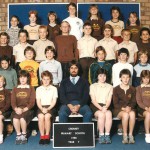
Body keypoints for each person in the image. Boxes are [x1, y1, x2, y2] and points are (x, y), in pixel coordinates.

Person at [11, 70, 35, 144]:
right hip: (17, 109)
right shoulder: (15, 88)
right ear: (18, 78)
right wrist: (16, 109)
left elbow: (32, 102)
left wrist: (24, 109)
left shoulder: (31, 88)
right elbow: (13, 102)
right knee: (15, 118)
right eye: (21, 77)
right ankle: (18, 135)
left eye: (24, 77)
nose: (22, 79)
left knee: (22, 118)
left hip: (28, 109)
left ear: (27, 78)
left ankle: (24, 134)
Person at [90, 68, 113, 144]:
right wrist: (101, 108)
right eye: (100, 76)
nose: (102, 78)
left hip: (106, 105)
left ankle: (107, 135)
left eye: (104, 76)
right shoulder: (93, 86)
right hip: (96, 106)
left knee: (109, 114)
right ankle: (101, 135)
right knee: (101, 114)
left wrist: (105, 107)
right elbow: (93, 100)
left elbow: (109, 99)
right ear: (97, 77)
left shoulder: (110, 86)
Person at [113, 69, 136, 144]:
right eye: (123, 77)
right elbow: (115, 103)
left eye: (127, 77)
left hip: (130, 109)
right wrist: (123, 108)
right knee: (125, 115)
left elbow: (133, 102)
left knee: (132, 114)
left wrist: (130, 108)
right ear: (120, 78)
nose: (126, 79)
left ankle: (130, 135)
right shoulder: (116, 89)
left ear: (129, 78)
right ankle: (125, 135)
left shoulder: (133, 89)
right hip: (119, 109)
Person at [36, 71, 58, 145]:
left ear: (50, 80)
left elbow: (54, 101)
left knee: (47, 116)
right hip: (41, 107)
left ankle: (47, 135)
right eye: (44, 79)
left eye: (47, 79)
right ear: (41, 79)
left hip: (51, 107)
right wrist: (42, 109)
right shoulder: (38, 89)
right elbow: (38, 101)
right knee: (41, 116)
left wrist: (48, 109)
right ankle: (42, 136)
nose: (45, 81)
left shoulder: (54, 88)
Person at [136, 70, 150, 143]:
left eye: (148, 78)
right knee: (148, 114)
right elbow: (139, 101)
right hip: (142, 108)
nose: (146, 80)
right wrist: (146, 108)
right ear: (141, 78)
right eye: (144, 78)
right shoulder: (138, 88)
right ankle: (147, 134)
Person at [0, 75, 11, 144]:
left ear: (4, 82)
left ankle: (0, 136)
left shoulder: (6, 92)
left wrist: (1, 111)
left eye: (0, 81)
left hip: (5, 111)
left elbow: (8, 104)